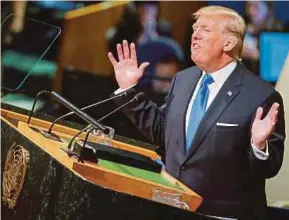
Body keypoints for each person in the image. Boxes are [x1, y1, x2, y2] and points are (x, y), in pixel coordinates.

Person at [108, 6, 286, 219]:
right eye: (195, 28)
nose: (195, 35)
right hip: (171, 208)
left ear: (228, 43)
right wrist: (128, 90)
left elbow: (269, 168)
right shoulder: (183, 80)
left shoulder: (260, 96)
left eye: (205, 30)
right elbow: (162, 132)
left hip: (222, 215)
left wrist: (258, 146)